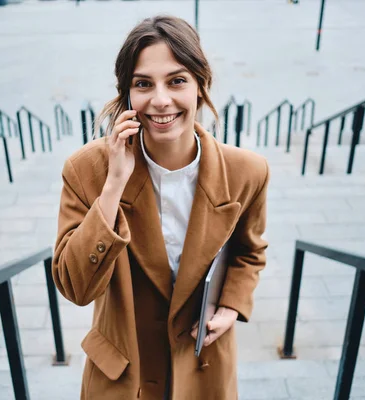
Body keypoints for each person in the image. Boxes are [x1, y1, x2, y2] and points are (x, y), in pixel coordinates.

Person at [52, 15, 269, 400]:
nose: (161, 100)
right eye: (143, 84)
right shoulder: (86, 170)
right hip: (122, 376)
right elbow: (74, 286)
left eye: (177, 80)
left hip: (204, 369)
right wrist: (113, 185)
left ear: (201, 86)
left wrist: (232, 306)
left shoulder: (246, 172)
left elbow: (250, 254)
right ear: (127, 95)